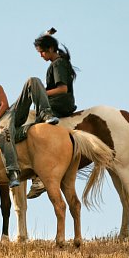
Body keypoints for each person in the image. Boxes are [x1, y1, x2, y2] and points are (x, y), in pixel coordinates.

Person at [0, 64, 59, 188]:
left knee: (32, 81)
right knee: (4, 134)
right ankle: (13, 172)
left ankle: (45, 113)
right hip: (2, 123)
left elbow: (4, 105)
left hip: (10, 114)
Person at [27, 28, 78, 198]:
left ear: (49, 50)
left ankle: (39, 176)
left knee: (34, 131)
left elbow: (62, 88)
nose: (40, 55)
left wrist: (41, 93)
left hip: (60, 103)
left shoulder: (58, 64)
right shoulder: (57, 62)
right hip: (55, 102)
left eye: (41, 52)